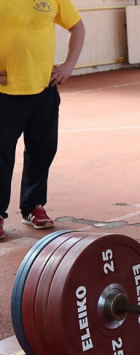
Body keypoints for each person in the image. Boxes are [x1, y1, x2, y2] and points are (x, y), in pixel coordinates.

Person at [0, 0, 85, 240]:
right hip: (5, 92)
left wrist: (68, 65)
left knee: (43, 149)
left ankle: (33, 206)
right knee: (1, 153)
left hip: (44, 88)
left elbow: (77, 27)